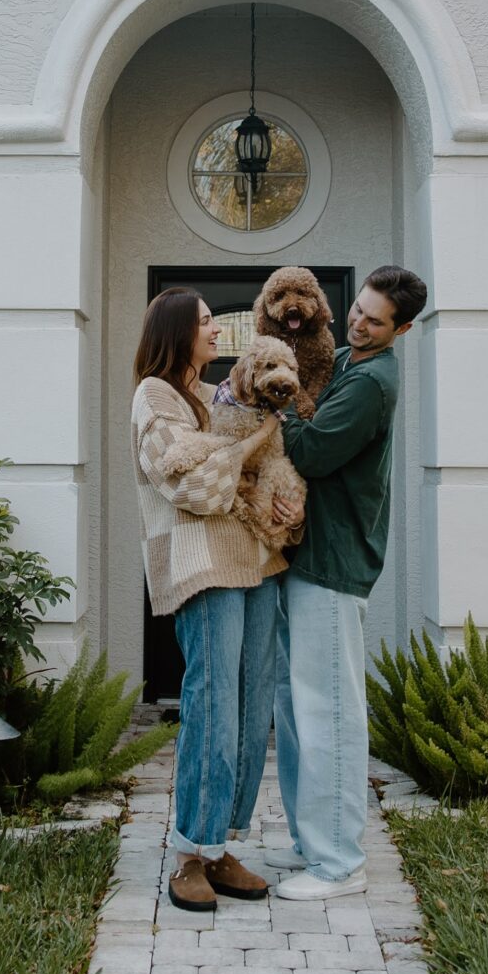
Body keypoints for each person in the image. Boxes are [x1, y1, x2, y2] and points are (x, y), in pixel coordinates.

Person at [270, 263, 425, 900]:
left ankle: (338, 863)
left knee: (327, 708)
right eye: (358, 309)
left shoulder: (371, 382)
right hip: (307, 557)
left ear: (403, 329)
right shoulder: (345, 359)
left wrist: (272, 410)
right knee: (298, 705)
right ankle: (313, 840)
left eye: (376, 320)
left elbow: (308, 452)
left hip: (333, 563)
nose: (359, 323)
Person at [132, 286, 289, 913]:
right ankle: (188, 855)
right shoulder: (155, 395)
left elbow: (244, 477)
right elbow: (194, 484)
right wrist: (256, 442)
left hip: (255, 562)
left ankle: (221, 844)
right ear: (178, 332)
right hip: (203, 567)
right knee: (213, 704)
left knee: (253, 706)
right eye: (205, 324)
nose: (217, 332)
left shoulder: (207, 396)